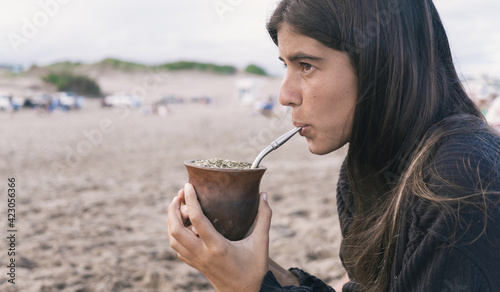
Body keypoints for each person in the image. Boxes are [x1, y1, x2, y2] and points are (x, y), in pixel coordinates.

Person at [167, 0, 500, 291]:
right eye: (286, 65)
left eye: (307, 65)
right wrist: (249, 264)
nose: (284, 95)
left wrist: (241, 286)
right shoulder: (368, 170)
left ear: (378, 62)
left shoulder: (461, 180)